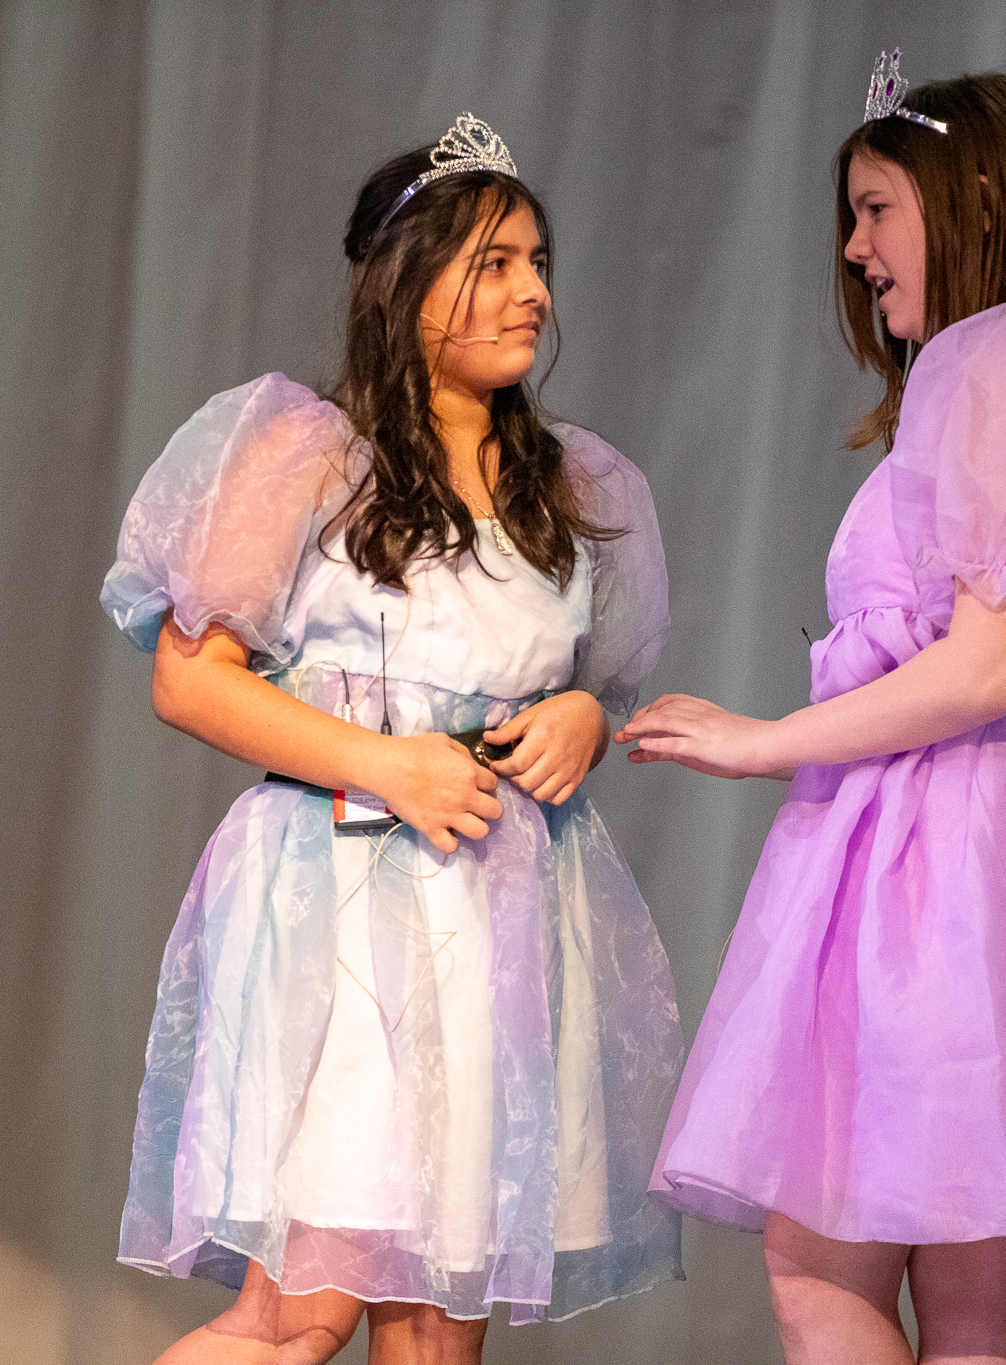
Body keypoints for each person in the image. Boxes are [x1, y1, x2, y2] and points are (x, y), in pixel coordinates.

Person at [618, 56, 1006, 1365]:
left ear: (977, 200)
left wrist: (755, 741)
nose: (855, 250)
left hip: (948, 844)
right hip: (1001, 833)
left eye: (878, 209)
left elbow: (988, 666)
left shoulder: (999, 357)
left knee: (824, 1265)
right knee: (970, 1293)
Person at [101, 114, 682, 1365]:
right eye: (494, 264)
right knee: (297, 1315)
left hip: (494, 914)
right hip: (341, 899)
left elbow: (597, 677)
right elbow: (190, 681)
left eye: (538, 261)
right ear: (406, 279)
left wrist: (587, 710)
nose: (532, 291)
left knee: (434, 1327)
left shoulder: (571, 484)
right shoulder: (310, 454)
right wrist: (383, 761)